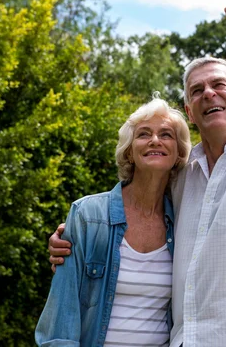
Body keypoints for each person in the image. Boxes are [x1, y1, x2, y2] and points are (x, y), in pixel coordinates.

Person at [49, 0, 226, 346]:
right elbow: (132, 206)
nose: (208, 94)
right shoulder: (181, 174)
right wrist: (75, 236)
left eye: (220, 85)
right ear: (189, 110)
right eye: (197, 91)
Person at [36, 97, 191, 346]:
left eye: (166, 134)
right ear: (129, 151)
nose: (155, 140)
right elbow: (61, 317)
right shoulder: (88, 215)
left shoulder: (185, 220)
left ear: (179, 152)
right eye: (143, 134)